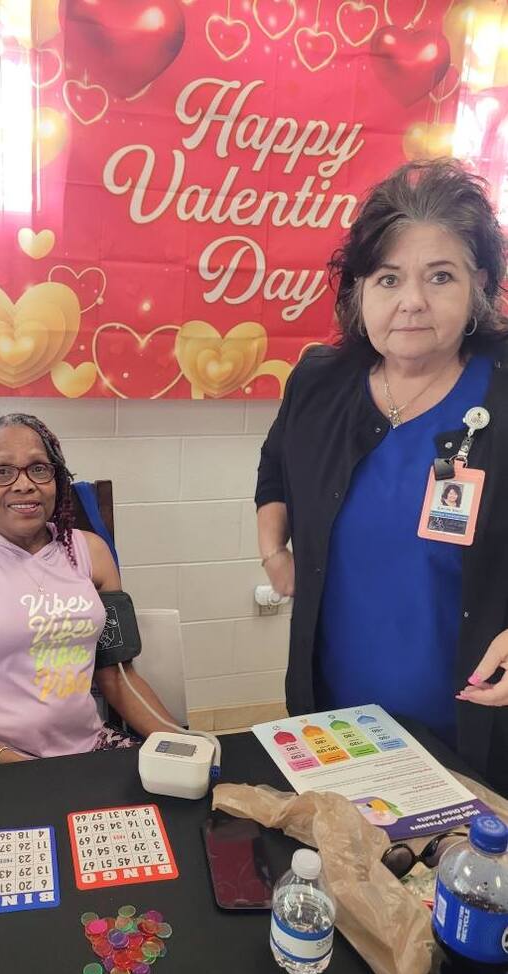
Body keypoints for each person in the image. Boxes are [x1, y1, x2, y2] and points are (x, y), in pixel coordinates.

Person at [255, 159, 508, 793]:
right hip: (335, 722)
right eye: (389, 278)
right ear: (358, 289)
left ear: (479, 284)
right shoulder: (320, 381)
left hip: (474, 729)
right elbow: (276, 465)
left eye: (440, 277)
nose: (412, 302)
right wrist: (272, 548)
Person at [0, 413, 179, 772]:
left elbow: (117, 676)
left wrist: (178, 743)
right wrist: (22, 769)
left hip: (87, 747)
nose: (23, 485)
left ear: (56, 480)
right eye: (2, 471)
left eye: (38, 469)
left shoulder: (91, 553)